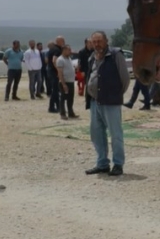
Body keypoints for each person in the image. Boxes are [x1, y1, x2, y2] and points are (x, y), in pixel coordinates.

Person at [85, 31, 130, 176]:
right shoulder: (92, 57)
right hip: (94, 101)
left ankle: (118, 164)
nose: (97, 44)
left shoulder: (116, 55)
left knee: (115, 134)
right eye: (94, 42)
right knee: (96, 133)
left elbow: (125, 79)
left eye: (99, 41)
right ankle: (102, 163)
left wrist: (115, 94)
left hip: (111, 102)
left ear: (106, 41)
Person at [55, 44, 79, 120]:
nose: (70, 51)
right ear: (64, 50)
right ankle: (62, 113)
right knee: (63, 98)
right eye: (68, 50)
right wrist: (63, 84)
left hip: (71, 81)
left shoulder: (69, 59)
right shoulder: (60, 59)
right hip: (64, 82)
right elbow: (60, 72)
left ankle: (71, 113)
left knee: (70, 98)